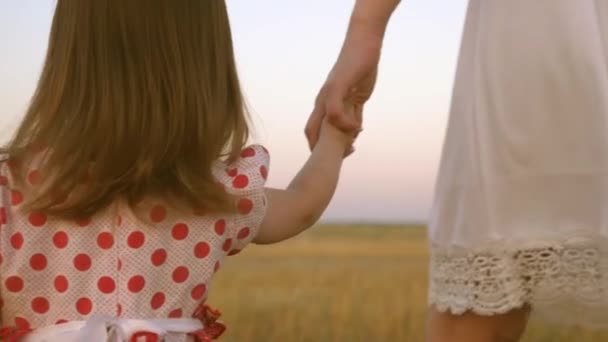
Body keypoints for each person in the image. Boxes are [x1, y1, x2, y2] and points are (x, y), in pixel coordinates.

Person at [0, 1, 356, 341]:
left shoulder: (10, 191)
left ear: (68, 57)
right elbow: (302, 205)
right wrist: (335, 136)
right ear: (207, 66)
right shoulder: (214, 193)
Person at [307, 0, 608, 341]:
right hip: (545, 28)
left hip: (535, 28)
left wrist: (366, 28)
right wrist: (365, 30)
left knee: (478, 294)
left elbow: (299, 206)